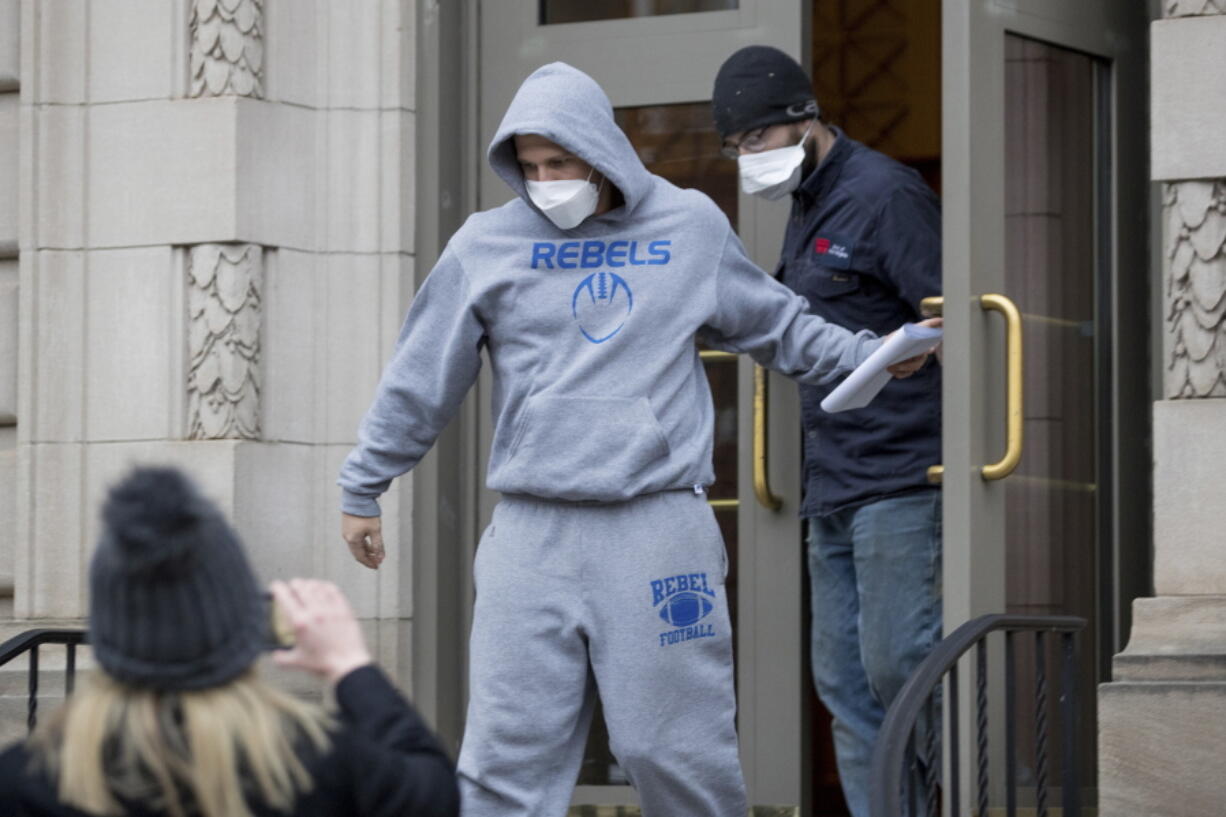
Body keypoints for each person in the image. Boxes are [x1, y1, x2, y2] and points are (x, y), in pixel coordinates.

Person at [337, 62, 932, 817]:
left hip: (656, 528)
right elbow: (420, 376)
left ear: (601, 151)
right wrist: (364, 483)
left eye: (560, 163)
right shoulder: (484, 244)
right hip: (531, 531)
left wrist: (870, 354)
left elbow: (779, 325)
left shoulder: (686, 226)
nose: (545, 181)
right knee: (503, 761)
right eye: (529, 167)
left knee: (676, 752)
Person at [712, 45, 944, 817]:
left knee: (900, 666)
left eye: (754, 143)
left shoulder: (886, 194)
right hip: (831, 482)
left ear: (801, 121)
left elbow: (949, 326)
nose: (747, 161)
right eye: (735, 148)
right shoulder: (806, 205)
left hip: (901, 478)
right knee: (846, 687)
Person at [0, 466, 459, 817]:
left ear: (111, 631)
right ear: (239, 623)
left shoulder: (27, 779)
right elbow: (435, 793)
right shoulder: (311, 765)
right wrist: (350, 666)